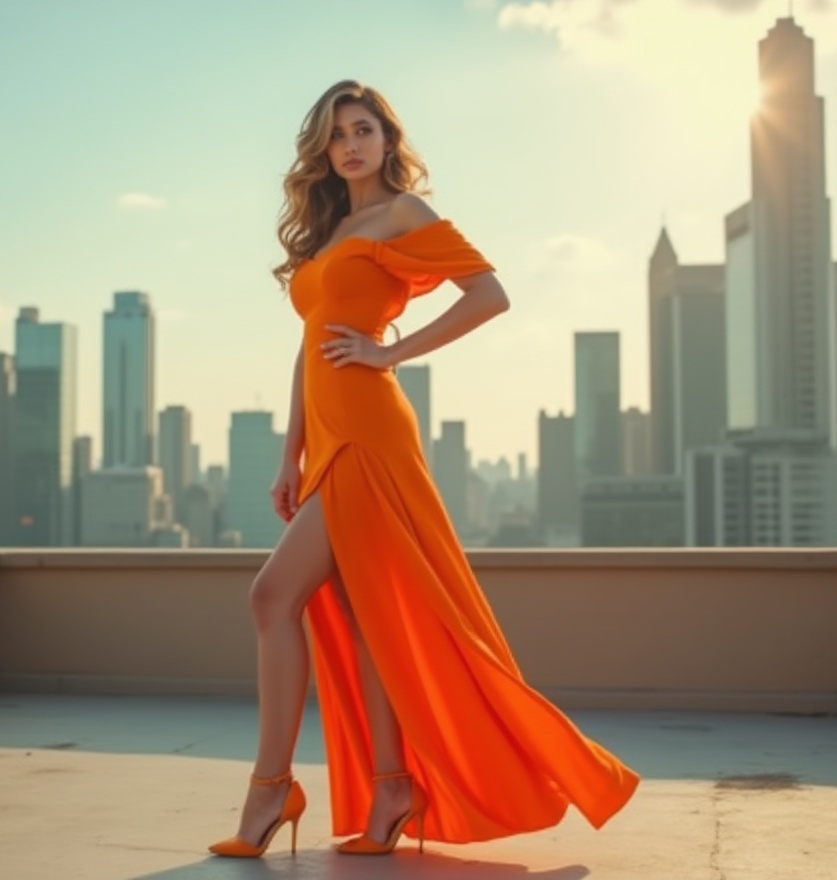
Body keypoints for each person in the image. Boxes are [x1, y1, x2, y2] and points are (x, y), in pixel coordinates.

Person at [208, 79, 639, 859]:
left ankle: (271, 792)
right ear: (324, 149)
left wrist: (390, 352)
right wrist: (287, 453)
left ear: (387, 139)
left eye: (364, 129)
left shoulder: (406, 214)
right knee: (368, 617)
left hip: (372, 433)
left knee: (271, 597)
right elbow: (309, 346)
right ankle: (391, 788)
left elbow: (490, 294)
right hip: (327, 437)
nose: (350, 144)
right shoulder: (330, 231)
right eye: (338, 133)